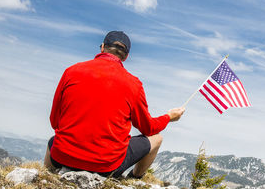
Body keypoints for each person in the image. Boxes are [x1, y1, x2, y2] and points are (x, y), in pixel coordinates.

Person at [44, 31, 185, 178]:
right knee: (157, 139)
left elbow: (55, 122)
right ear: (126, 56)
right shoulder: (133, 84)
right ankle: (134, 178)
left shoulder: (71, 71)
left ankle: (46, 178)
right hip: (105, 166)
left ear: (103, 47)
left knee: (53, 141)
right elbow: (148, 128)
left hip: (62, 157)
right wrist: (169, 117)